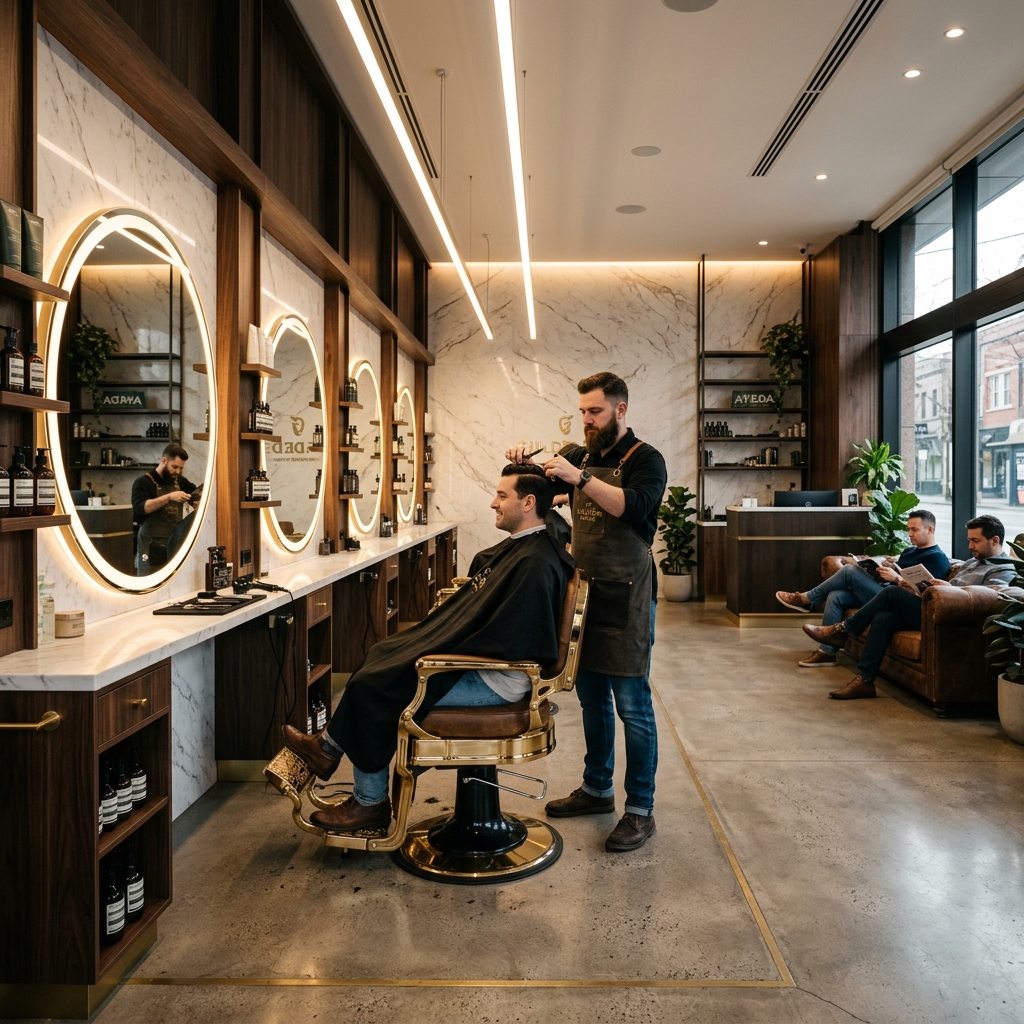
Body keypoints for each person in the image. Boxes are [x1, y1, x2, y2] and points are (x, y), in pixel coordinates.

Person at [282, 463, 575, 834]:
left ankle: (367, 803)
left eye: (502, 496)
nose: (492, 503)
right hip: (488, 667)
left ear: (529, 502)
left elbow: (511, 639)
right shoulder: (526, 550)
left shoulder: (535, 563)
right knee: (381, 659)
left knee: (375, 687)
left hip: (500, 679)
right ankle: (327, 749)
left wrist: (441, 642)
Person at [506, 371, 667, 852]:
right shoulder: (581, 456)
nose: (586, 420)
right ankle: (597, 789)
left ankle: (640, 809)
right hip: (586, 595)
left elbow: (633, 507)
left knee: (632, 707)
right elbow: (540, 490)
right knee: (592, 700)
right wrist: (522, 463)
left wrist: (580, 478)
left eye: (594, 411)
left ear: (620, 410)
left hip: (628, 594)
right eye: (582, 412)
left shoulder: (647, 460)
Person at [803, 515, 1018, 700]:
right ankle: (864, 681)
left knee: (890, 593)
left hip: (949, 614)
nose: (970, 546)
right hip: (931, 605)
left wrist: (948, 589)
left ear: (995, 540)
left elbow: (992, 597)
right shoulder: (972, 562)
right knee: (884, 618)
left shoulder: (1005, 569)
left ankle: (842, 630)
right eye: (969, 540)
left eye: (975, 541)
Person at [776, 509, 950, 667]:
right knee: (836, 595)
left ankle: (807, 599)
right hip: (882, 591)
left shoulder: (937, 558)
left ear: (930, 530)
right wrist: (876, 571)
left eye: (914, 530)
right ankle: (826, 653)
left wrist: (896, 579)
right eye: (908, 529)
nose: (909, 534)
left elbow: (927, 594)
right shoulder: (909, 552)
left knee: (849, 571)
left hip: (898, 601)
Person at [130, 443, 202, 575]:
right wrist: (169, 497)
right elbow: (141, 508)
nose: (177, 472)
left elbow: (195, 494)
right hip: (150, 544)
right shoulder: (143, 482)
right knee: (150, 585)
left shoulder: (179, 481)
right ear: (164, 460)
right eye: (174, 467)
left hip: (174, 542)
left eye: (180, 468)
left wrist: (196, 501)